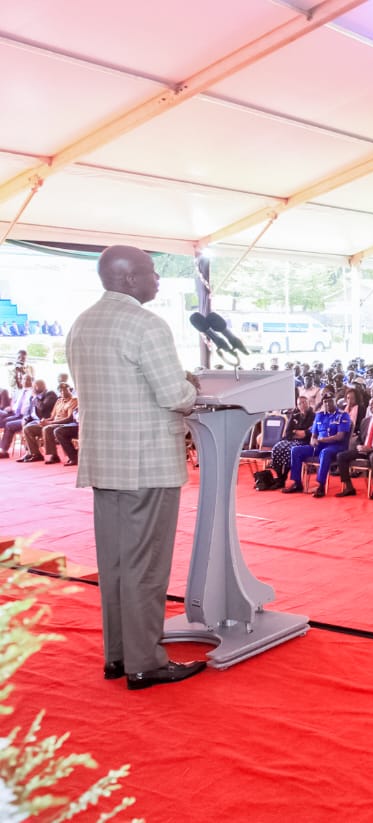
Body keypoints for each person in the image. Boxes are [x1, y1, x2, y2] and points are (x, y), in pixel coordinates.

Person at [65, 245, 205, 690]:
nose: (157, 279)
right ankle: (146, 662)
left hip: (105, 462)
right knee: (145, 567)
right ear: (128, 279)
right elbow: (174, 396)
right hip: (147, 464)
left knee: (116, 565)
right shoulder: (147, 325)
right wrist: (191, 385)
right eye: (150, 271)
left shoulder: (82, 323)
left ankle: (118, 654)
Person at [283, 394, 351, 497]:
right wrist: (313, 440)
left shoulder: (343, 415)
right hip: (319, 445)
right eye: (325, 402)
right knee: (296, 450)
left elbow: (340, 436)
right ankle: (297, 483)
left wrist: (324, 439)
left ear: (335, 401)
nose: (327, 404)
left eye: (329, 401)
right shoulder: (319, 415)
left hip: (336, 446)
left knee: (325, 452)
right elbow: (313, 434)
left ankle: (321, 486)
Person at [334, 395, 373, 499]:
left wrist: (372, 448)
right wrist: (359, 446)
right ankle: (348, 487)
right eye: (371, 404)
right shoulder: (365, 421)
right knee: (341, 456)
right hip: (364, 450)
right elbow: (360, 439)